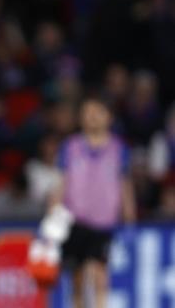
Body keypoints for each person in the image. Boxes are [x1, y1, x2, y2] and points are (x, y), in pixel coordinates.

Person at [49, 97, 136, 308]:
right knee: (77, 278)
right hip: (74, 220)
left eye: (98, 112)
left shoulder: (119, 149)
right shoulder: (70, 147)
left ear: (109, 117)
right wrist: (52, 213)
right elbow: (61, 182)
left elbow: (124, 184)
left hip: (103, 222)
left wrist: (130, 216)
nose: (93, 117)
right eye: (88, 112)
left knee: (99, 275)